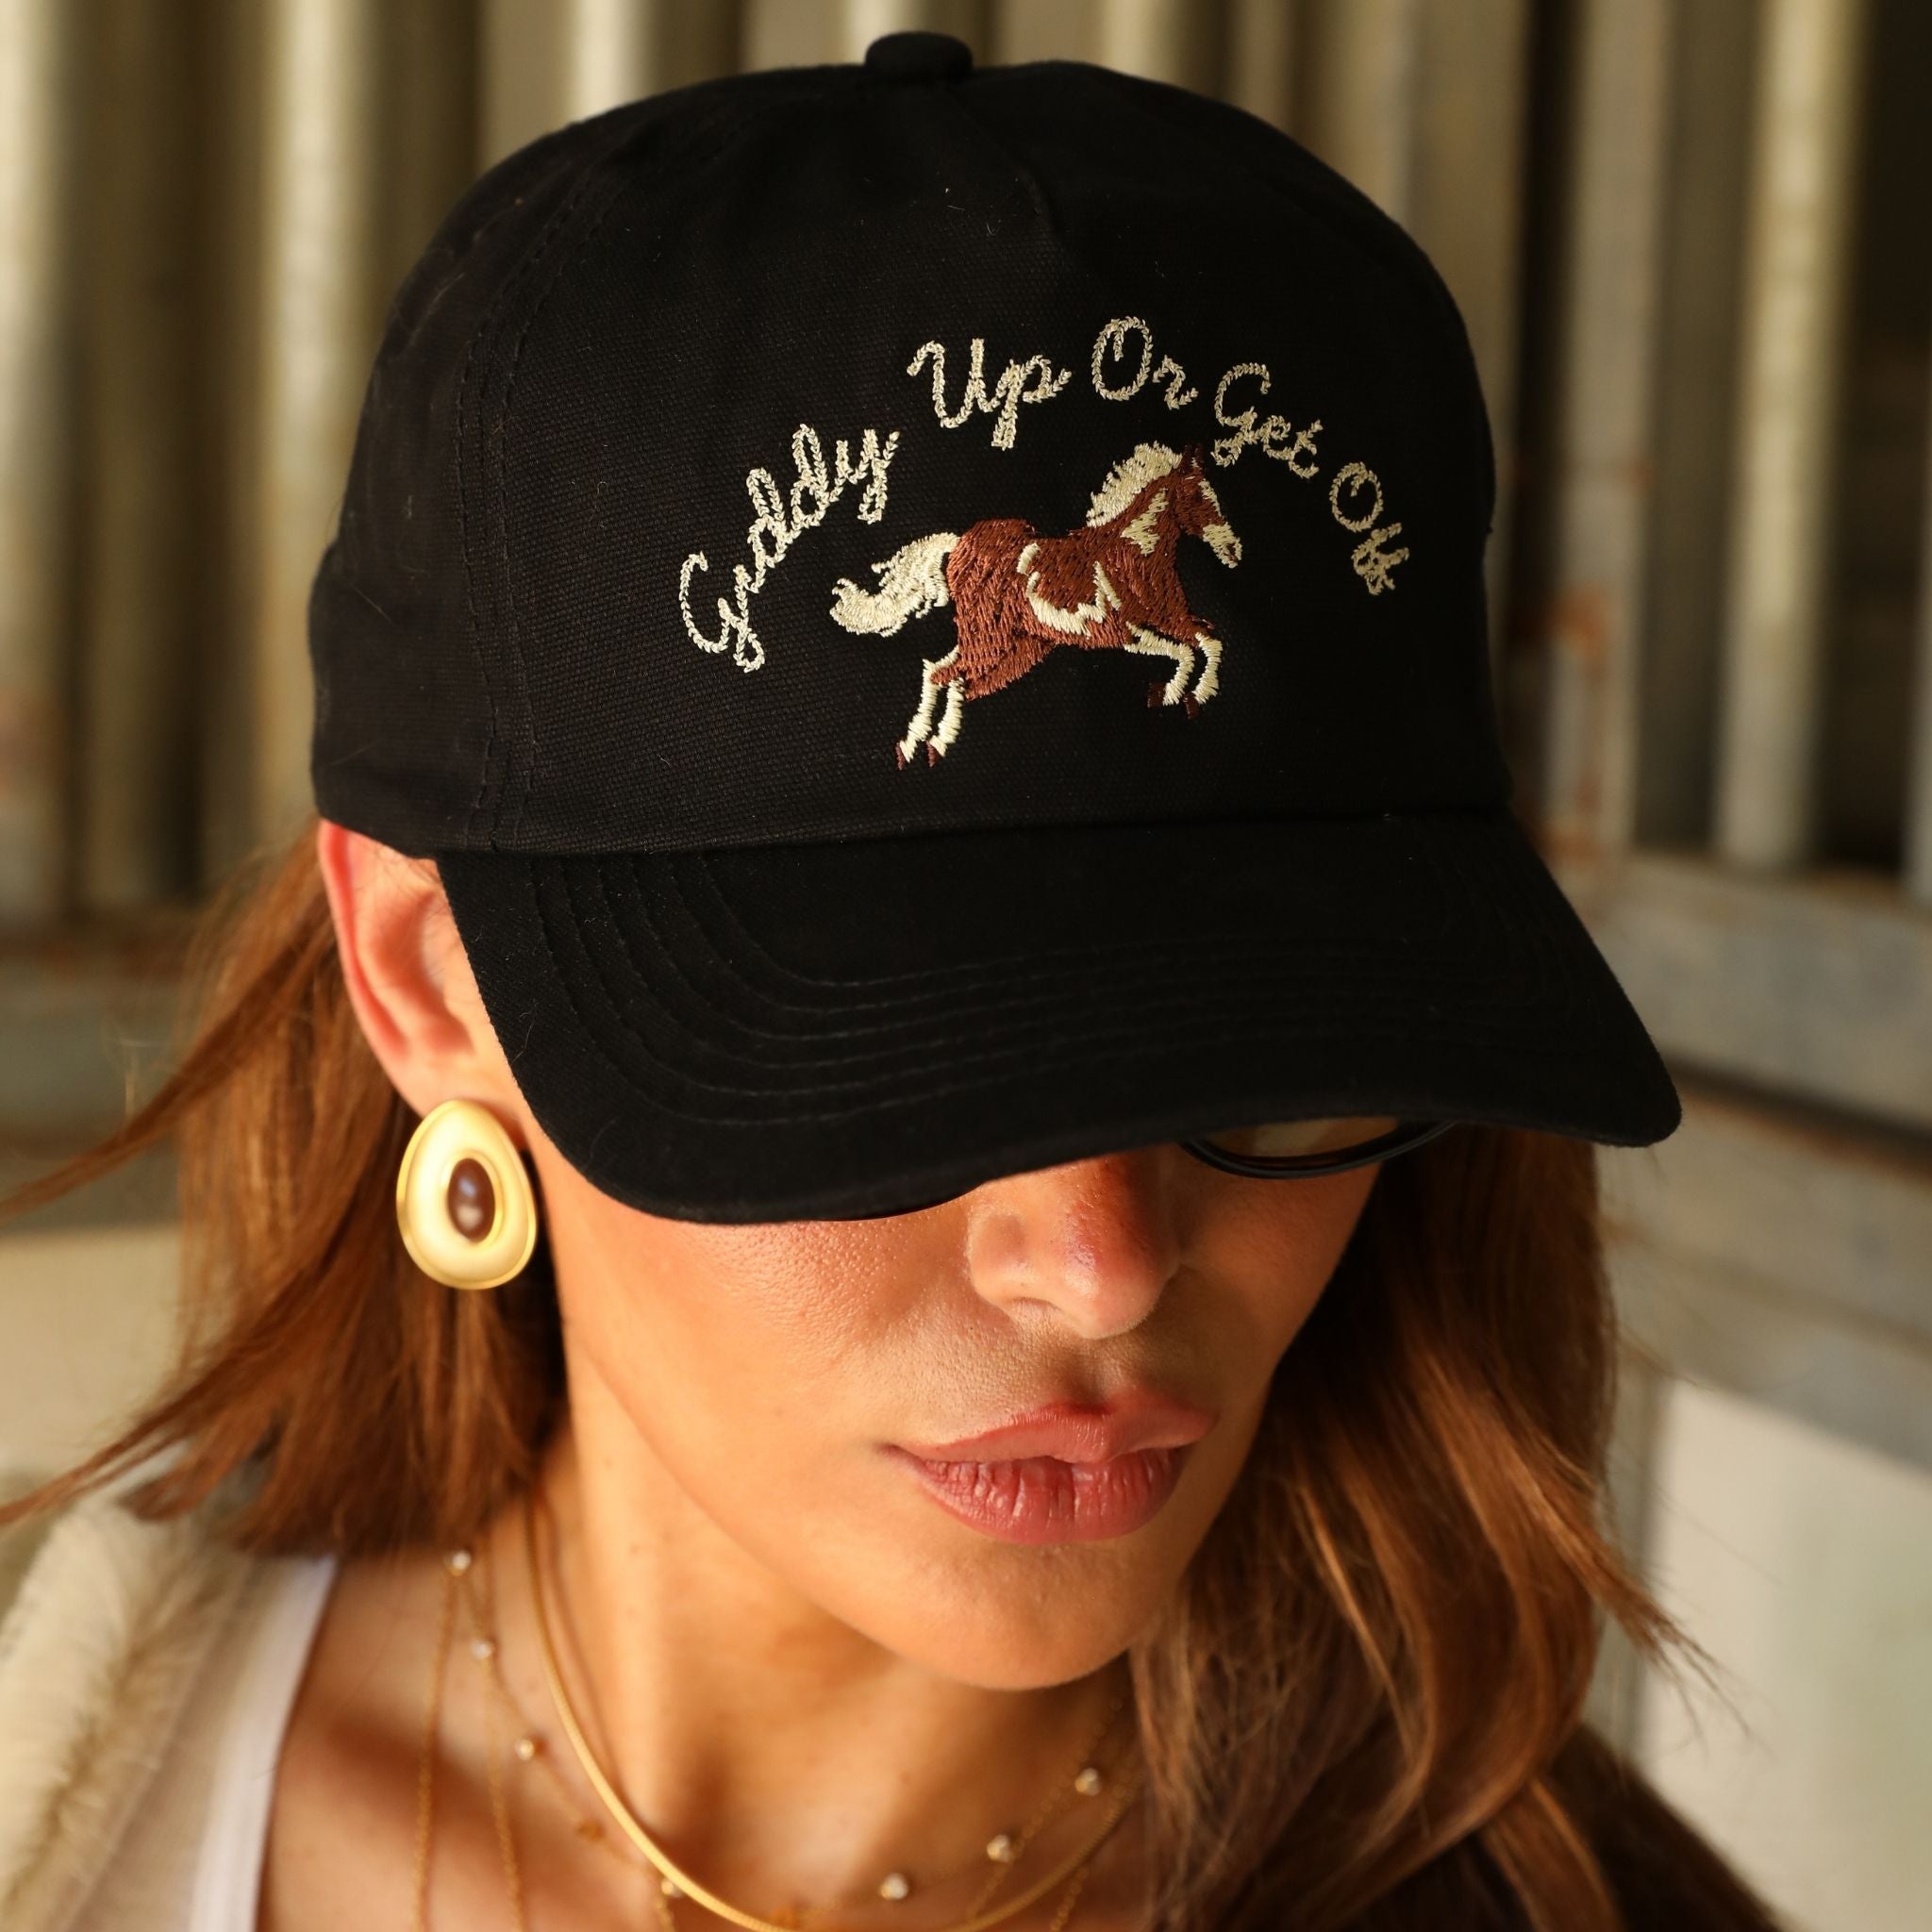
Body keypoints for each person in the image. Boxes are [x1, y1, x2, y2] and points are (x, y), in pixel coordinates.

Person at [0, 30, 1790, 1932]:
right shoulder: (61, 1783)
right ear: (432, 984)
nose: (1100, 1261)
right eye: (887, 1076)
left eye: (1260, 1062)